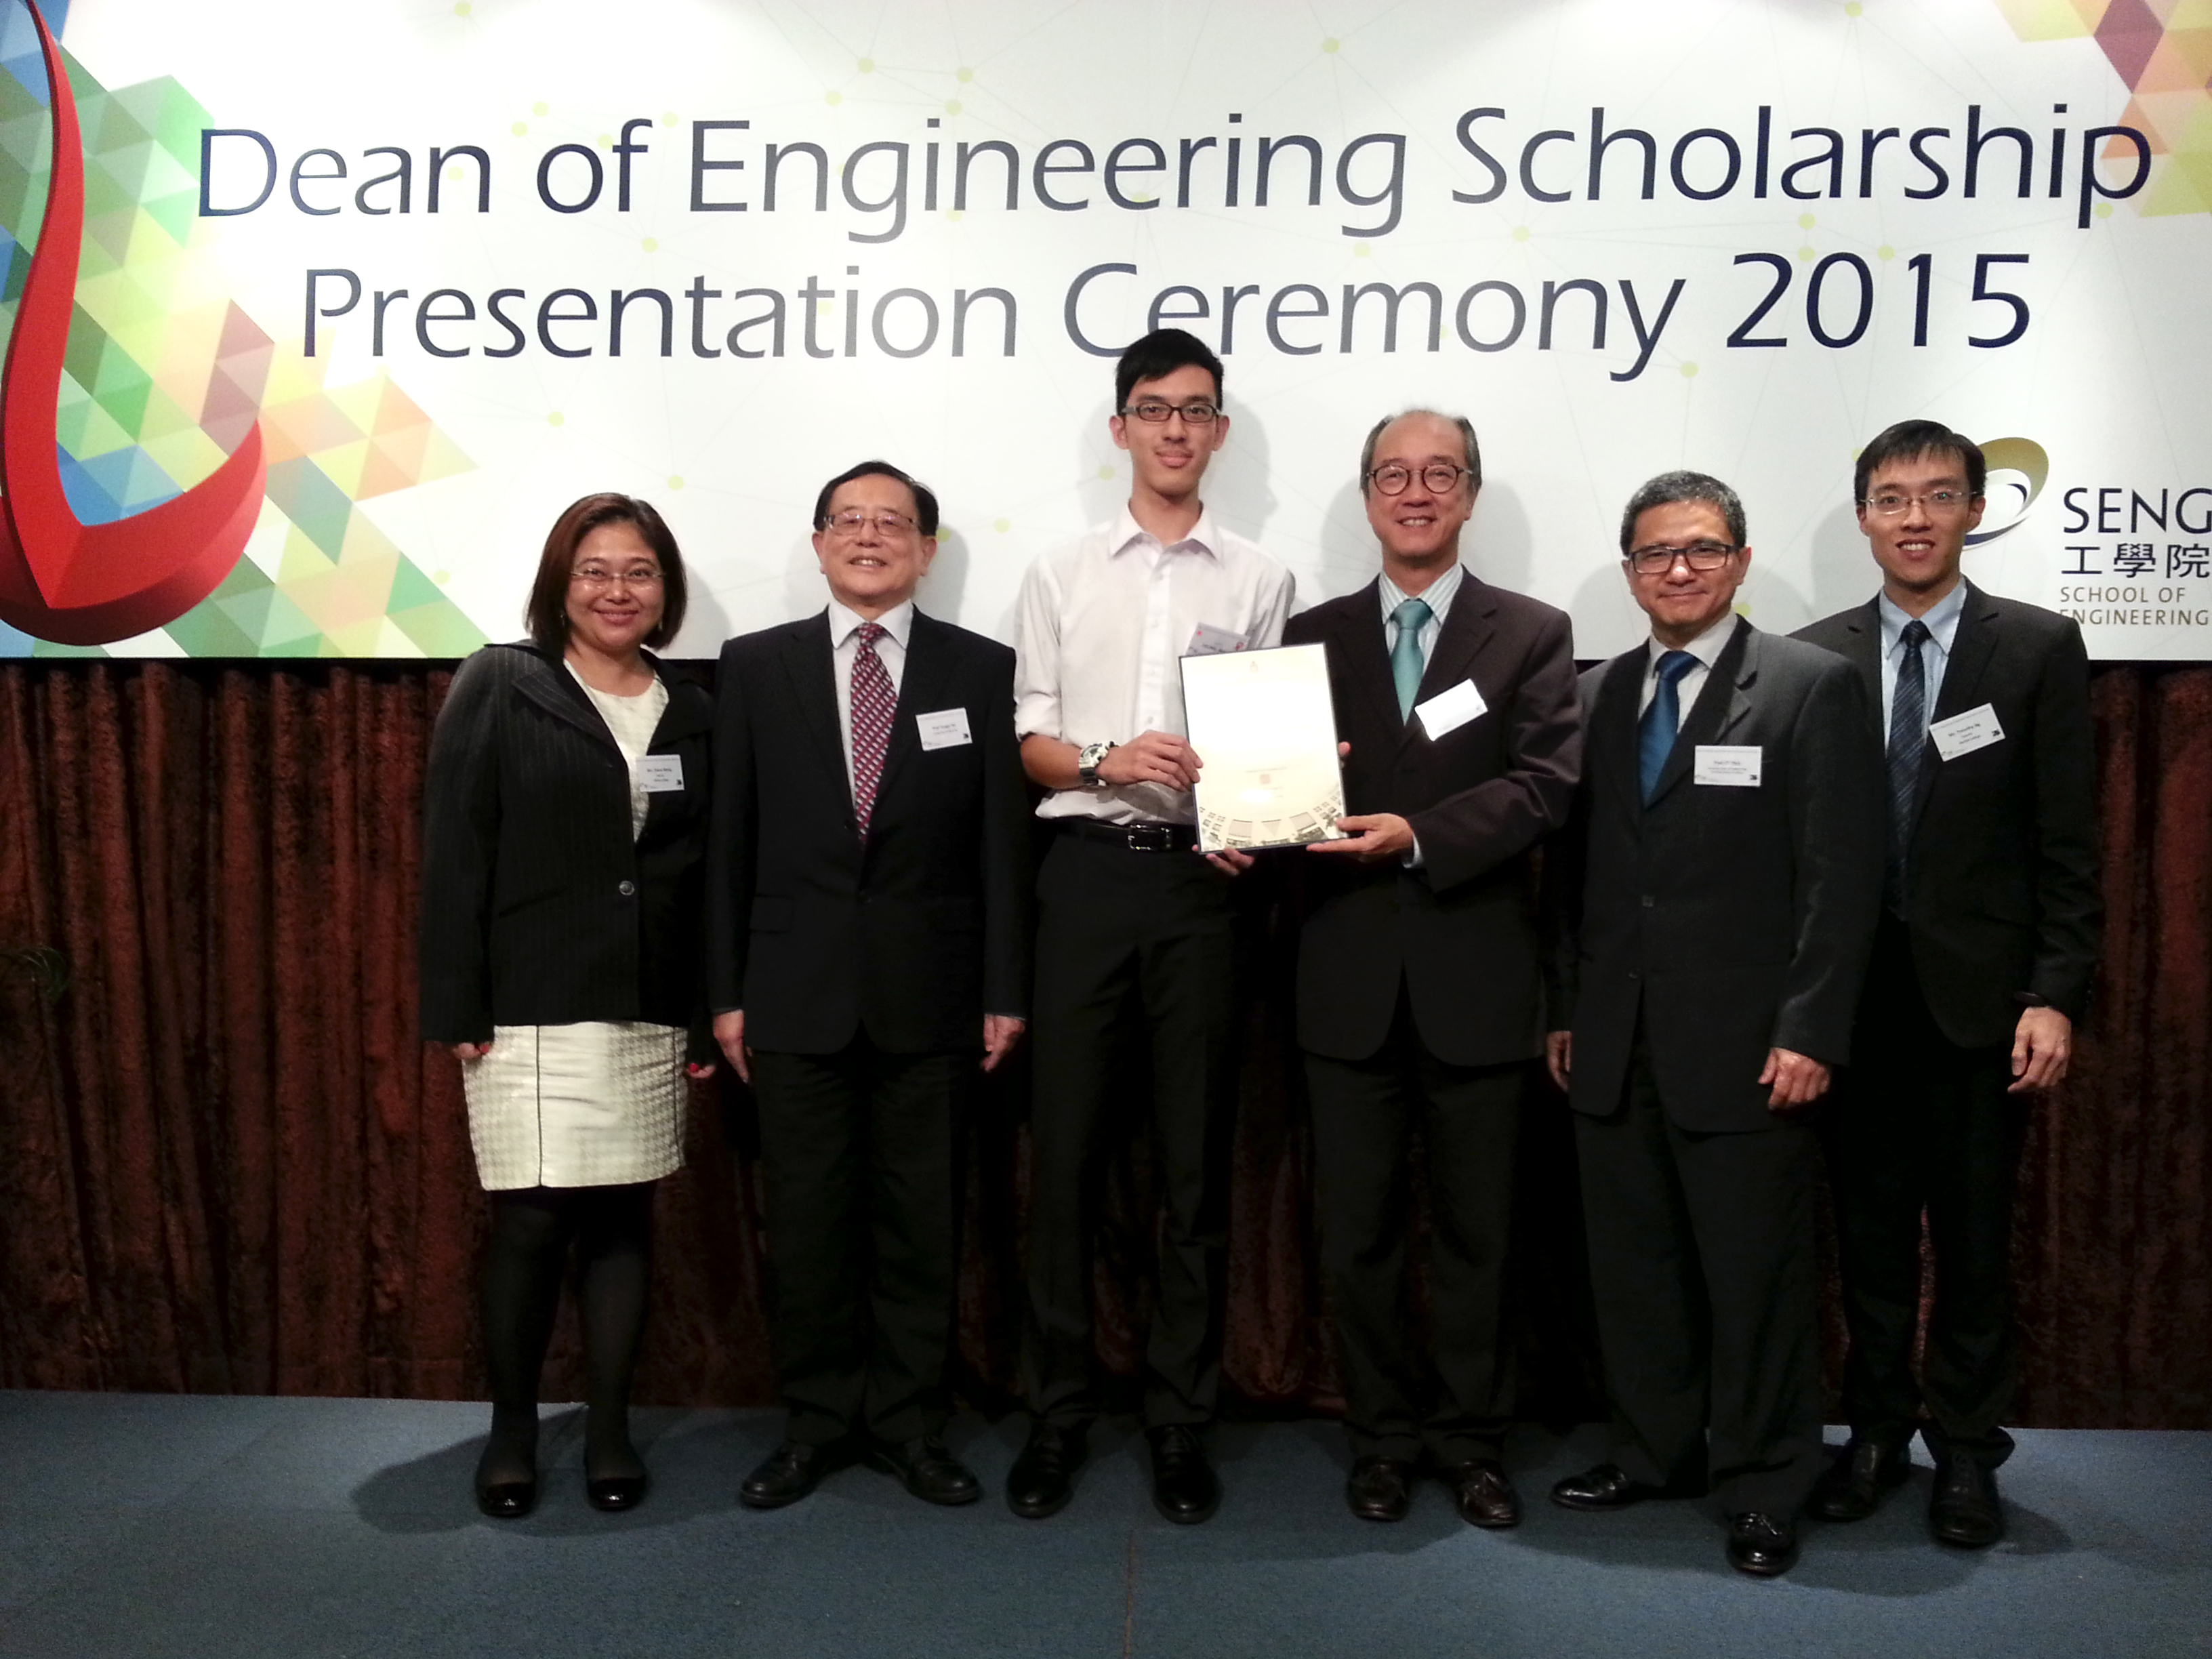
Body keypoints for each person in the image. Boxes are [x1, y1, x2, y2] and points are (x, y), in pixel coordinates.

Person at [1543, 470, 1882, 1576]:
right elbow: (1572, 878)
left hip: (1751, 1051)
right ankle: (1651, 1452)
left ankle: (1763, 1481)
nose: (1676, 571)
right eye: (1653, 554)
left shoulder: (1809, 687)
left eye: (1698, 549)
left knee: (1755, 1282)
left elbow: (1842, 879)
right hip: (1613, 1039)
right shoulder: (1597, 694)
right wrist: (1564, 1011)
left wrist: (1813, 1029)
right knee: (1634, 1272)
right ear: (1630, 571)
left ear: (1738, 559)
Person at [1794, 421, 2100, 1547]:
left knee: (1973, 1244)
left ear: (1976, 509)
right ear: (1863, 515)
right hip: (1855, 1009)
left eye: (1935, 496)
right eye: (1889, 497)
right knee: (1868, 1238)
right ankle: (1876, 1433)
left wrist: (2056, 992)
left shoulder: (2035, 647)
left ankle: (1969, 1453)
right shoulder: (1813, 652)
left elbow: (2068, 841)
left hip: (1984, 1009)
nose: (1913, 517)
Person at [1008, 327, 1294, 1523]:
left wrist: (1256, 812)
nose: (1176, 429)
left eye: (1197, 410)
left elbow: (1270, 745)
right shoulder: (1060, 569)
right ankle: (1056, 1416)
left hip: (1199, 891)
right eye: (1153, 408)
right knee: (1064, 1161)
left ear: (1219, 432)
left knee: (1192, 1166)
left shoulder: (1260, 576)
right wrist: (1103, 758)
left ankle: (1182, 1422)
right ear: (1118, 427)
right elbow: (1031, 744)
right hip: (1082, 878)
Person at [708, 461, 1032, 1511]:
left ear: (926, 551)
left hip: (931, 997)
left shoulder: (981, 670)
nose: (869, 537)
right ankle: (813, 1426)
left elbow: (999, 847)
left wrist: (1004, 988)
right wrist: (725, 992)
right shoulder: (754, 667)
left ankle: (908, 1424)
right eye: (849, 520)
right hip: (791, 994)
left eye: (893, 524)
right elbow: (728, 847)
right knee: (805, 1227)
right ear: (817, 543)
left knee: (917, 1227)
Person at [1282, 411, 1580, 1527]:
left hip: (1478, 982)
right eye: (1395, 476)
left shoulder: (1532, 632)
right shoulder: (1307, 636)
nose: (1417, 493)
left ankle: (1472, 1442)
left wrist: (1419, 833)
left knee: (1477, 1234)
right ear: (1367, 497)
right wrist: (1244, 819)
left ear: (1470, 494)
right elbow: (1277, 787)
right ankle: (1379, 1438)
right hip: (1343, 982)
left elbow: (1549, 784)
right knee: (1355, 1233)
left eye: (1439, 475)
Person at [419, 493, 715, 1519]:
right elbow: (456, 849)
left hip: (645, 1006)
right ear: (561, 583)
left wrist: (704, 1009)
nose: (618, 590)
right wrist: (455, 999)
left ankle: (610, 1428)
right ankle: (510, 1430)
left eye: (639, 571)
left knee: (627, 1221)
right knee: (534, 1225)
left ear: (665, 589)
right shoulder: (505, 682)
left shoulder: (689, 707)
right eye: (596, 570)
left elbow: (698, 874)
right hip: (532, 1005)